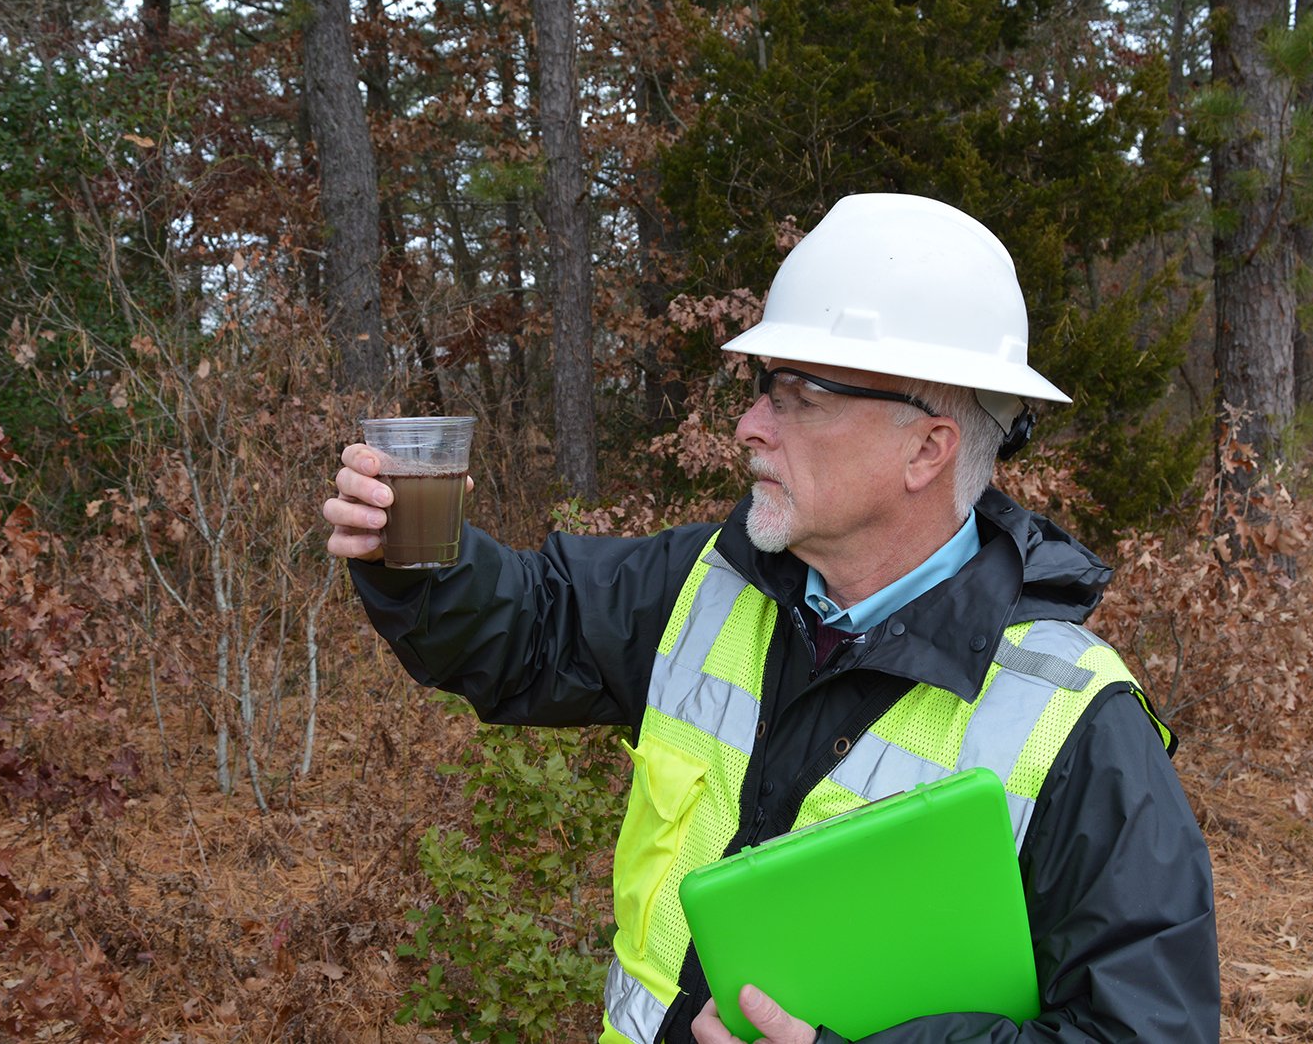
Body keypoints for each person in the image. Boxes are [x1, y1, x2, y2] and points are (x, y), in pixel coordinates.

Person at [322, 193, 1219, 1043]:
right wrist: (409, 552)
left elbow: (1142, 1028)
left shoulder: (1077, 726)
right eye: (762, 387)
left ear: (926, 448)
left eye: (800, 395)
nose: (750, 425)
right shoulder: (709, 582)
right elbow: (520, 629)